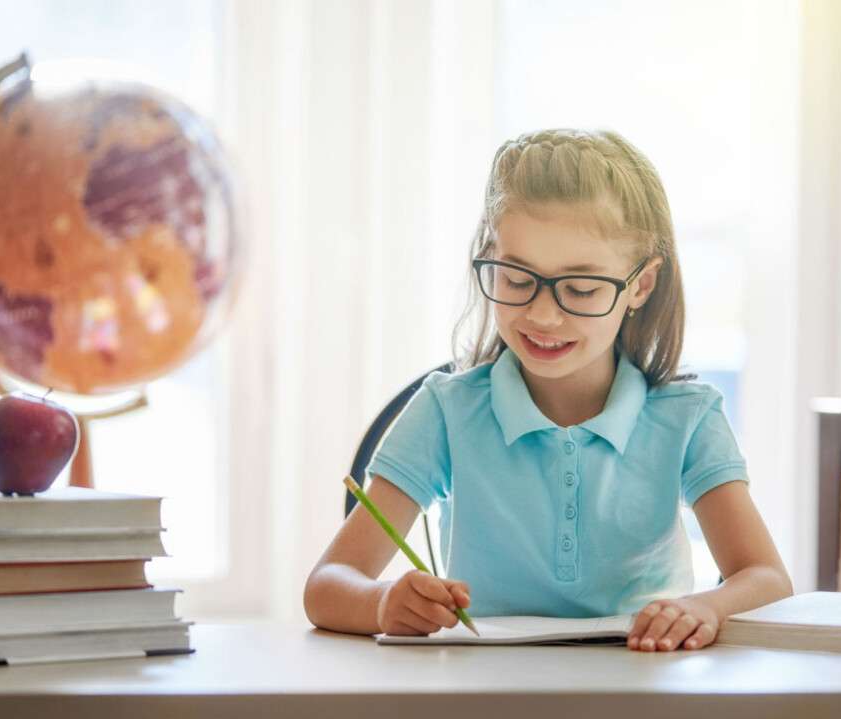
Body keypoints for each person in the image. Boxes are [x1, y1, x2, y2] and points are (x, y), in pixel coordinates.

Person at [304, 128, 792, 652]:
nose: (541, 315)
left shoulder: (688, 418)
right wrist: (383, 603)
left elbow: (766, 578)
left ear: (641, 287)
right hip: (486, 690)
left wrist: (704, 607)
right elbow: (327, 585)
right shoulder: (447, 410)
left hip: (645, 688)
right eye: (516, 279)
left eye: (581, 288)